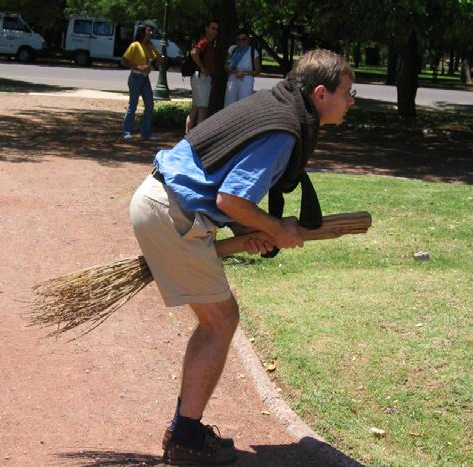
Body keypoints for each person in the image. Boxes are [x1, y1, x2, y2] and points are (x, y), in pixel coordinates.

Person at [129, 49, 356, 465]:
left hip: (165, 202)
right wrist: (274, 228)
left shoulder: (276, 105)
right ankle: (184, 440)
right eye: (348, 92)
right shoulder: (284, 129)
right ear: (321, 93)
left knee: (218, 319)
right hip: (172, 211)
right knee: (220, 321)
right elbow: (231, 197)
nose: (352, 100)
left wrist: (252, 231)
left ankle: (186, 430)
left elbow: (224, 183)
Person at [122, 24, 162, 141]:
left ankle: (146, 133)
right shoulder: (135, 45)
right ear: (142, 32)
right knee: (133, 105)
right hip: (135, 78)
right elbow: (124, 61)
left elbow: (160, 59)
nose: (151, 33)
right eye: (149, 31)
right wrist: (138, 67)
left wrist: (153, 47)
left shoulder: (148, 46)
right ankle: (127, 131)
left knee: (150, 104)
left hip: (145, 79)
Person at [185, 19, 219, 133]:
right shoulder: (204, 41)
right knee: (202, 109)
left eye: (216, 29)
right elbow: (194, 52)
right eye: (212, 28)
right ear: (207, 28)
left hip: (198, 77)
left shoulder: (208, 42)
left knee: (195, 107)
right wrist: (202, 67)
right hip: (201, 78)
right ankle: (198, 137)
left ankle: (188, 135)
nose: (215, 31)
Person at [224, 29, 260, 107]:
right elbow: (226, 66)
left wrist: (244, 73)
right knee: (229, 105)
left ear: (248, 39)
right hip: (233, 79)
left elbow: (257, 71)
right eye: (239, 39)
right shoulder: (232, 49)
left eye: (244, 39)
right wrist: (234, 72)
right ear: (236, 40)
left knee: (244, 106)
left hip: (246, 80)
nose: (241, 42)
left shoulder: (253, 51)